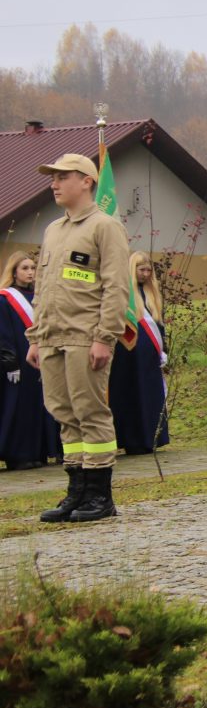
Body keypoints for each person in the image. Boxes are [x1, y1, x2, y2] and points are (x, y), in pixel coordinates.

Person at [26, 153, 130, 523]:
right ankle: (77, 491)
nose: (54, 183)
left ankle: (100, 495)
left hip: (86, 337)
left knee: (90, 413)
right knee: (64, 414)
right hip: (52, 337)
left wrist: (105, 337)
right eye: (52, 177)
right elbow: (42, 287)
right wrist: (35, 337)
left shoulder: (104, 227)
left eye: (62, 176)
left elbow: (117, 286)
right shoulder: (53, 230)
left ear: (86, 181)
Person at [0, 252, 60, 470]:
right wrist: (10, 363)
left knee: (40, 407)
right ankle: (18, 454)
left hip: (41, 361)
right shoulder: (5, 298)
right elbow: (3, 334)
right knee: (19, 409)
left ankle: (39, 451)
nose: (30, 272)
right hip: (17, 364)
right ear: (14, 271)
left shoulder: (38, 297)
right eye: (25, 268)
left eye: (33, 268)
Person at [109, 251, 170, 455]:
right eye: (141, 269)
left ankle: (151, 437)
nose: (145, 274)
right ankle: (131, 439)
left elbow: (159, 325)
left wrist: (164, 350)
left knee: (150, 396)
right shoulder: (123, 294)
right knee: (130, 396)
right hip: (127, 355)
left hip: (150, 357)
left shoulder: (153, 295)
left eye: (148, 270)